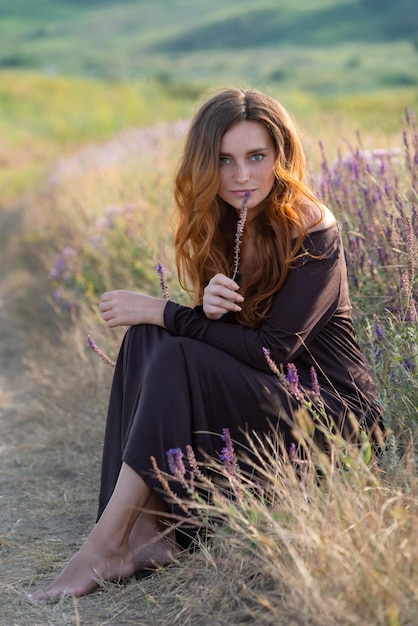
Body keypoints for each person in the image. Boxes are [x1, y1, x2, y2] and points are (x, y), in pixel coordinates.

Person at [29, 87, 382, 602]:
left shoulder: (313, 227)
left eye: (256, 157)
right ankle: (147, 531)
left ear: (280, 157)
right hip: (269, 402)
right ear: (205, 164)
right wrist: (202, 310)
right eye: (224, 161)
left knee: (168, 335)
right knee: (149, 340)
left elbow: (271, 352)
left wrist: (170, 311)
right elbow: (227, 344)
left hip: (332, 422)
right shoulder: (229, 222)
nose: (242, 176)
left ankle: (107, 546)